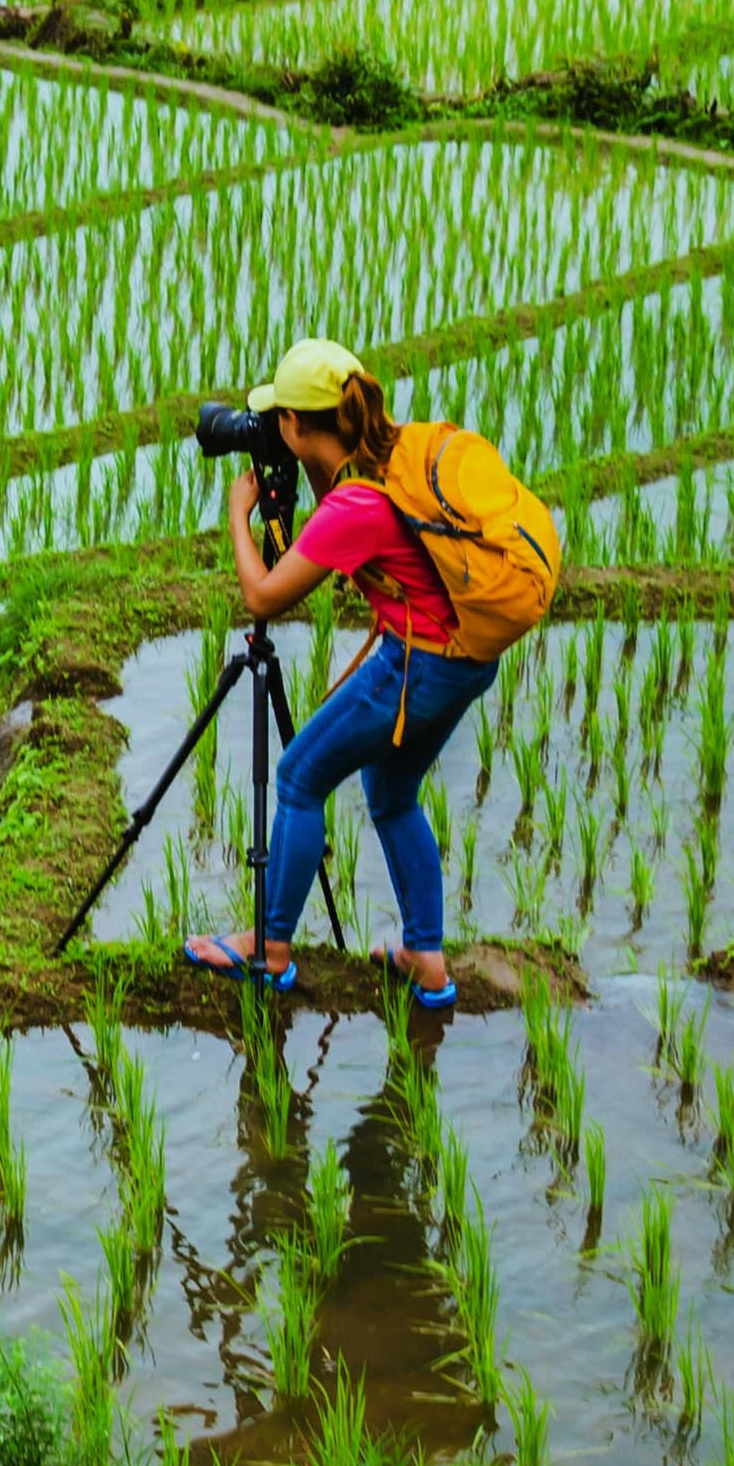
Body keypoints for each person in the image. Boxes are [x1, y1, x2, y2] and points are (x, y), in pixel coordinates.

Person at [182, 337, 497, 1004]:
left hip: (420, 663)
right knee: (389, 792)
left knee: (299, 776)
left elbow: (264, 595)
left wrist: (241, 515)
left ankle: (267, 950)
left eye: (276, 421)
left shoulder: (354, 505)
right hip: (469, 657)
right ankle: (426, 958)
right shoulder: (390, 457)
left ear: (296, 425)